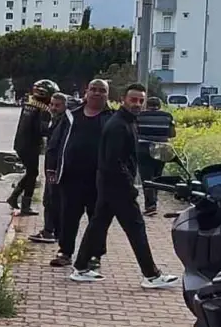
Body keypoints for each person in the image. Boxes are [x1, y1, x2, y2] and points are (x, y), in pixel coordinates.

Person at [70, 83, 179, 288]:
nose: (137, 104)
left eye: (140, 100)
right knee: (136, 228)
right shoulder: (118, 125)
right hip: (117, 186)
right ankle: (151, 275)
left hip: (110, 185)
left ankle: (81, 267)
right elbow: (113, 161)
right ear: (123, 100)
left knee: (97, 225)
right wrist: (129, 186)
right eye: (133, 100)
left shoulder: (127, 122)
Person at [51, 79, 113, 268]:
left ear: (107, 95)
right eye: (93, 89)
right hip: (71, 177)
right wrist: (51, 168)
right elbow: (55, 142)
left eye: (101, 90)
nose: (96, 93)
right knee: (68, 217)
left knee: (98, 220)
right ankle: (65, 252)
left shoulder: (112, 118)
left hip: (99, 180)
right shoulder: (71, 116)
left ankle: (94, 256)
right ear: (86, 92)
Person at [6, 79, 58, 216]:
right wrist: (56, 130)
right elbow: (42, 129)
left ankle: (14, 197)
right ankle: (25, 205)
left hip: (21, 143)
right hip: (30, 145)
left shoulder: (29, 104)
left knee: (31, 173)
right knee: (32, 174)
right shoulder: (43, 109)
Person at [29, 92, 68, 244]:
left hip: (56, 167)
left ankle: (49, 230)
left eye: (57, 105)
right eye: (52, 104)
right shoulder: (55, 120)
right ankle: (54, 231)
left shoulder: (63, 122)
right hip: (51, 165)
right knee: (52, 199)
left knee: (51, 199)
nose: (53, 108)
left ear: (65, 106)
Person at [136, 96, 176, 216]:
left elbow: (135, 131)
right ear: (159, 105)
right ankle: (154, 203)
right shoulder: (167, 116)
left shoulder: (139, 116)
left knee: (146, 177)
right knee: (157, 177)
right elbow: (172, 134)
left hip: (143, 148)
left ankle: (150, 205)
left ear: (146, 105)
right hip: (161, 149)